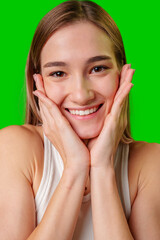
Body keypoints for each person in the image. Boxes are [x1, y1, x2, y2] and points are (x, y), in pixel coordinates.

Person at [0, 0, 160, 239]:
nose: (81, 95)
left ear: (122, 73)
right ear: (38, 82)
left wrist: (102, 169)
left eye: (97, 69)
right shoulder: (14, 148)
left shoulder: (150, 163)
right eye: (58, 73)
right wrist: (75, 168)